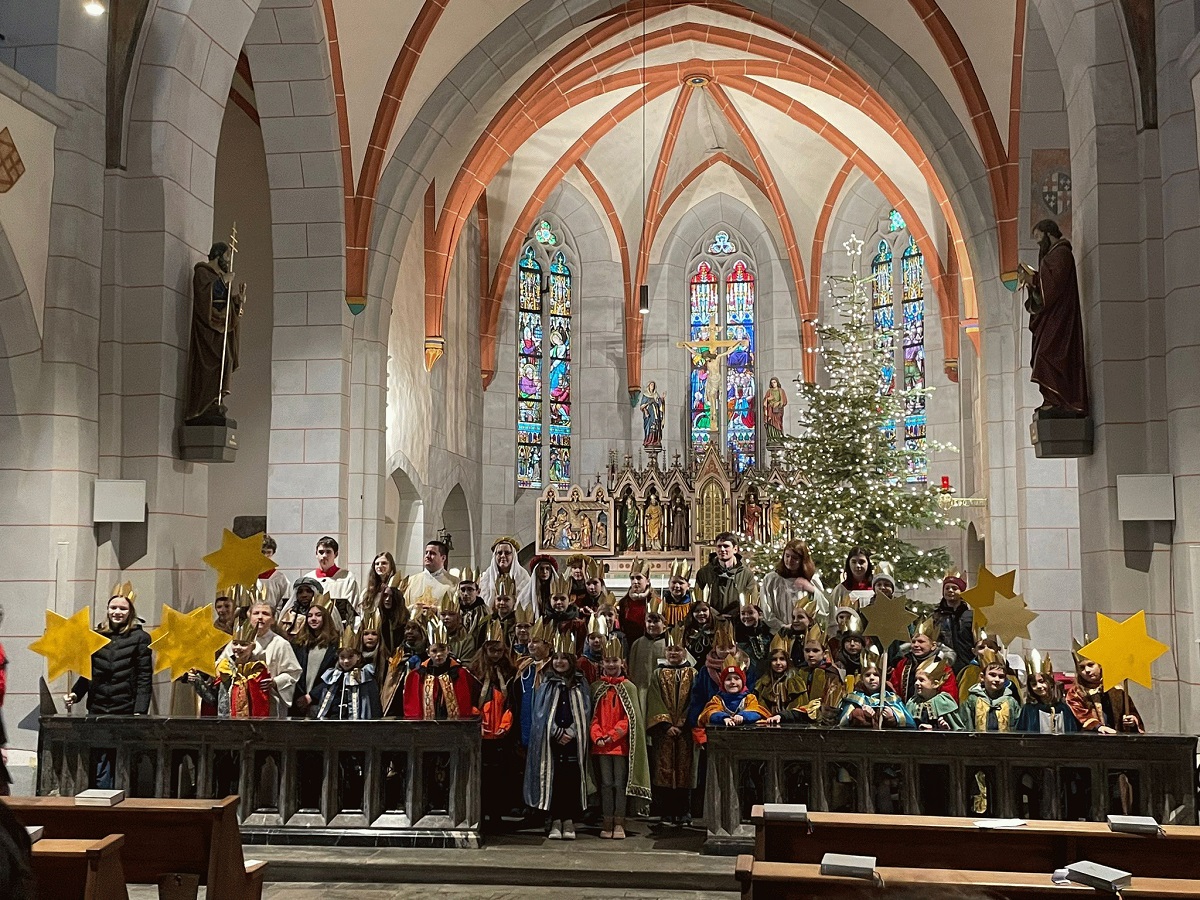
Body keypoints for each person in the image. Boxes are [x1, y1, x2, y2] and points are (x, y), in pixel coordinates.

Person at [1016, 218, 1089, 416]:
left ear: (1049, 234)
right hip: (1051, 318)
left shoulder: (1062, 254)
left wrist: (1033, 279)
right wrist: (1033, 282)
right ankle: (1051, 399)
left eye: (1040, 239)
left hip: (1060, 319)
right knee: (1042, 356)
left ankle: (1060, 399)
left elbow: (1052, 286)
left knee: (1047, 356)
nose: (1040, 244)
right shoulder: (1053, 255)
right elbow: (1046, 284)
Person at [524, 634, 592, 841]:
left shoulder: (580, 683)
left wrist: (572, 731)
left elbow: (586, 711)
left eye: (564, 658)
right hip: (552, 742)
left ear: (571, 661)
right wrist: (555, 731)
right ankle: (554, 820)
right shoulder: (547, 683)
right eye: (556, 658)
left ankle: (569, 820)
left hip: (573, 741)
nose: (559, 662)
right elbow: (540, 713)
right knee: (554, 779)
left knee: (570, 779)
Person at [65, 584, 153, 726]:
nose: (117, 612)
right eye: (113, 608)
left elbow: (144, 677)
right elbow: (90, 672)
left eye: (123, 608)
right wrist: (75, 694)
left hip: (125, 708)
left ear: (130, 612)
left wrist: (140, 711)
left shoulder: (141, 638)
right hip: (97, 706)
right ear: (107, 610)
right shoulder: (96, 636)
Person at [590, 637, 651, 839]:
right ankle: (607, 820)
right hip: (600, 747)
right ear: (602, 663)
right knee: (605, 784)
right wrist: (597, 736)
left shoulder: (629, 687)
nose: (611, 665)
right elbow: (593, 716)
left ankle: (619, 821)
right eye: (607, 661)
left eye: (615, 661)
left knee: (619, 783)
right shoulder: (596, 687)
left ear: (622, 662)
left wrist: (612, 736)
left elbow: (630, 719)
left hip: (620, 746)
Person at [185, 241, 244, 424]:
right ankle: (204, 405)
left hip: (220, 330)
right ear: (217, 256)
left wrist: (236, 301)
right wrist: (222, 281)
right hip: (207, 333)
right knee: (214, 363)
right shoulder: (202, 272)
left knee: (226, 360)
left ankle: (216, 400)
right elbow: (205, 298)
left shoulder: (220, 275)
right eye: (226, 256)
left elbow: (223, 303)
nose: (227, 260)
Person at [469, 622, 518, 827]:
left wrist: (506, 726)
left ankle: (497, 814)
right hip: (481, 731)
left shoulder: (509, 671)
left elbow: (512, 703)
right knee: (480, 777)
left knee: (500, 778)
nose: (496, 654)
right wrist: (477, 723)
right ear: (485, 649)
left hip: (501, 734)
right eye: (492, 649)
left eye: (500, 650)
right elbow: (470, 701)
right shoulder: (475, 670)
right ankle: (480, 813)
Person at [647, 626, 696, 826]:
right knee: (664, 770)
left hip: (685, 732)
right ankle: (666, 811)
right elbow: (654, 699)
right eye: (670, 650)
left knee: (685, 770)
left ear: (685, 651)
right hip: (664, 731)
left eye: (678, 649)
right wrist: (666, 724)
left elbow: (695, 699)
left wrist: (683, 722)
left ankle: (684, 811)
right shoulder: (657, 674)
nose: (673, 653)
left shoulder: (693, 673)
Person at [402, 615, 478, 719]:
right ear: (428, 652)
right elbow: (412, 709)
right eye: (434, 651)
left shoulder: (461, 674)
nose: (438, 654)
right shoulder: (417, 676)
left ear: (448, 650)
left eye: (442, 649)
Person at [193, 619, 273, 718]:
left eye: (244, 644)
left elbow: (261, 703)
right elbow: (213, 699)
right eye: (235, 643)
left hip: (251, 726)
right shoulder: (224, 668)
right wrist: (197, 680)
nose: (238, 647)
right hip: (225, 725)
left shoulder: (257, 670)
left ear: (253, 646)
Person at [238, 600, 302, 717]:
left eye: (265, 614)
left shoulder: (281, 644)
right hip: (241, 700)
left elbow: (293, 672)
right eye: (256, 613)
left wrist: (275, 682)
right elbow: (224, 663)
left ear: (273, 620)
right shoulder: (238, 642)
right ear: (249, 616)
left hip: (269, 700)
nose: (260, 617)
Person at [1065, 640, 1144, 733]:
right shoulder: (1075, 692)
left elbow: (1131, 711)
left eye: (1090, 665)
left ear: (1100, 665)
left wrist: (1132, 720)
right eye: (1081, 667)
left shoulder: (1116, 689)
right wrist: (1099, 727)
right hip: (1093, 740)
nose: (1087, 670)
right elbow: (1082, 715)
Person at [311, 626, 382, 720]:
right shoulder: (334, 676)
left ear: (358, 657)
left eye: (350, 657)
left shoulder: (364, 676)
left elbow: (372, 704)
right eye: (342, 657)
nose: (346, 661)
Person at [289, 593, 340, 717]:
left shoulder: (335, 644)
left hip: (324, 701)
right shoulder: (298, 644)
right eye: (310, 616)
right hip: (299, 702)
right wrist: (301, 697)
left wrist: (311, 696)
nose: (313, 619)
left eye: (318, 615)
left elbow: (335, 674)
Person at [890, 616, 959, 703]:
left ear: (933, 646)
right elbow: (894, 690)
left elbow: (949, 697)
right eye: (913, 641)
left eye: (921, 641)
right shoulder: (903, 665)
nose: (915, 645)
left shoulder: (943, 668)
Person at [838, 648, 913, 728]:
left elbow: (909, 724)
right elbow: (842, 722)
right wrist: (858, 713)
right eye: (867, 675)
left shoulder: (892, 699)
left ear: (883, 677)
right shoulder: (854, 699)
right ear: (861, 678)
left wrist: (893, 717)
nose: (872, 678)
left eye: (876, 674)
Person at [761, 540, 826, 630]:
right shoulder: (771, 579)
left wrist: (812, 589)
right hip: (778, 632)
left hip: (806, 633)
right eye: (787, 556)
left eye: (795, 558)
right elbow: (766, 608)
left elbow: (825, 608)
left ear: (802, 560)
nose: (789, 560)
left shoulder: (812, 579)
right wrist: (783, 627)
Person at [694, 532, 756, 618]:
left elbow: (751, 600)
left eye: (726, 546)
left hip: (737, 621)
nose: (722, 549)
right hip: (712, 621)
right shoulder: (704, 572)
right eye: (719, 546)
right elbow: (698, 599)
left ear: (735, 549)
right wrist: (715, 614)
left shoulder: (746, 574)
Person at [958, 647, 1020, 732]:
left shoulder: (1011, 702)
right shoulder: (972, 700)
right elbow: (966, 725)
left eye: (1001, 676)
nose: (997, 680)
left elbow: (1017, 726)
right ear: (982, 677)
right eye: (992, 675)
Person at [1017, 650, 1078, 734]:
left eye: (1042, 681)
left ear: (1050, 682)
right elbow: (1022, 733)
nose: (1038, 686)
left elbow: (1072, 731)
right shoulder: (1028, 709)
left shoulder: (1062, 707)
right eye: (1034, 684)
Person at [699, 655, 769, 727]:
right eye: (728, 679)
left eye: (737, 678)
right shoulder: (717, 699)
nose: (732, 682)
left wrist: (742, 716)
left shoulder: (749, 698)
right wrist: (723, 718)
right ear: (722, 683)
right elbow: (710, 712)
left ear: (743, 682)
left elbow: (755, 712)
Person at [753, 635, 806, 718]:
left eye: (782, 659)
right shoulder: (763, 682)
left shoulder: (795, 682)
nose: (778, 663)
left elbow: (800, 706)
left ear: (788, 661)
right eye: (774, 659)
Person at [904, 658, 962, 731]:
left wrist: (942, 728)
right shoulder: (912, 703)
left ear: (935, 684)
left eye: (922, 680)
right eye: (916, 680)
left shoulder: (944, 702)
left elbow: (957, 728)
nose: (916, 683)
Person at [933, 571, 973, 673]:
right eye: (947, 588)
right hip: (944, 664)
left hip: (967, 663)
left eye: (955, 588)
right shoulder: (936, 616)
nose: (950, 590)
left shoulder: (970, 616)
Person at [313, 536, 360, 623]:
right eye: (321, 552)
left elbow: (351, 608)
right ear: (316, 554)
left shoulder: (347, 578)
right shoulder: (309, 578)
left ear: (336, 554)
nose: (324, 556)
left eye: (328, 552)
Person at [406, 540, 459, 617]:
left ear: (443, 558)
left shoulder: (454, 582)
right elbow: (402, 608)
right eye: (426, 552)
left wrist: (437, 610)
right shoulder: (411, 580)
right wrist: (413, 608)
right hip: (414, 627)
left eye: (432, 553)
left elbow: (456, 610)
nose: (427, 556)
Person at [627, 598, 669, 692]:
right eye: (649, 621)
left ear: (664, 624)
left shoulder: (668, 643)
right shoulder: (637, 644)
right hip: (641, 689)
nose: (652, 625)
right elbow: (631, 668)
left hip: (662, 690)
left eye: (656, 622)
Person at [479, 536, 530, 610]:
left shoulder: (523, 576)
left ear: (513, 556)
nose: (503, 556)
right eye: (499, 553)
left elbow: (525, 602)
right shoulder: (487, 575)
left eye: (507, 553)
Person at [826, 548, 874, 623]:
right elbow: (832, 617)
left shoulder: (874, 589)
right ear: (849, 563)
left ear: (868, 563)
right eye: (854, 562)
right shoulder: (841, 589)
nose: (858, 565)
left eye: (862, 562)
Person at [735, 593, 773, 685]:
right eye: (743, 613)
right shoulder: (736, 634)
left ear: (759, 614)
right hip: (746, 678)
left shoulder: (768, 633)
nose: (746, 616)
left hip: (766, 678)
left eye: (751, 613)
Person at [257, 534, 291, 612]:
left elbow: (285, 606)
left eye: (268, 552)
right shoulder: (248, 577)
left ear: (273, 553)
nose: (265, 556)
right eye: (262, 552)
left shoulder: (280, 579)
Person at [360, 551, 397, 615]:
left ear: (391, 565)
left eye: (384, 563)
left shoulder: (398, 587)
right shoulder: (366, 591)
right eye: (377, 564)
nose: (379, 566)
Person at [683, 597, 716, 668]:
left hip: (712, 667)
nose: (701, 613)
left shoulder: (716, 630)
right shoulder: (688, 631)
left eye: (704, 610)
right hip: (692, 668)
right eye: (697, 611)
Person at [457, 567, 488, 636]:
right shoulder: (455, 610)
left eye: (470, 589)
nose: (465, 593)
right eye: (462, 590)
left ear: (478, 591)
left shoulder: (485, 612)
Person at [662, 559, 694, 626]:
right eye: (673, 582)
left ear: (688, 586)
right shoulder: (661, 602)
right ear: (668, 584)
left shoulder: (693, 603)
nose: (676, 586)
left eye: (681, 583)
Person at [638, 381, 665, 448]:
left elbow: (659, 404)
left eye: (653, 385)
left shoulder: (656, 395)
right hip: (649, 415)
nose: (652, 386)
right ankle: (648, 440)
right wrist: (647, 406)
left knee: (655, 426)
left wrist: (662, 400)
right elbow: (641, 406)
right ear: (648, 386)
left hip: (655, 414)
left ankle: (655, 440)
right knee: (649, 427)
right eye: (651, 385)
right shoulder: (645, 395)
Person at [763, 376, 788, 445]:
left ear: (777, 382)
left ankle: (778, 438)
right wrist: (768, 399)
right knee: (770, 423)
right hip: (770, 410)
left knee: (778, 424)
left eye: (774, 382)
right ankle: (772, 438)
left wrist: (778, 403)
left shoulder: (781, 391)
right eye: (772, 383)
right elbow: (765, 402)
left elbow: (785, 401)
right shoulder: (769, 391)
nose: (773, 384)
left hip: (778, 411)